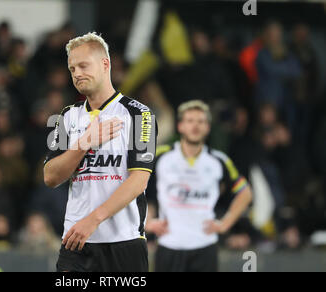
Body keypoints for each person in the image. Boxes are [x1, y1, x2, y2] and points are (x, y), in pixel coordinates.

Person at [43, 32, 157, 272]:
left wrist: (93, 220)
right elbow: (50, 176)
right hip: (76, 242)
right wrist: (85, 142)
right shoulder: (65, 116)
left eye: (83, 65)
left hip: (124, 242)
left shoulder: (139, 115)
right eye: (72, 68)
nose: (77, 73)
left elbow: (139, 180)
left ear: (105, 64)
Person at [146, 100, 252, 272]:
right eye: (190, 121)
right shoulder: (161, 156)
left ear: (208, 127)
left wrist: (225, 223)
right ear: (180, 126)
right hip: (169, 246)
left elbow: (245, 193)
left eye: (201, 121)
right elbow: (129, 184)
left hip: (205, 247)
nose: (195, 126)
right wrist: (145, 222)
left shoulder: (218, 160)